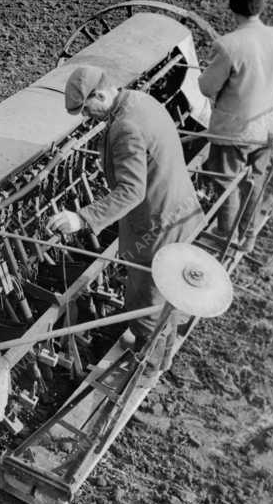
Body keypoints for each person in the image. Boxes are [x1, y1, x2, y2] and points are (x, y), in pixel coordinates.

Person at [47, 65, 205, 350]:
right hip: (181, 211)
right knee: (174, 293)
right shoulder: (139, 100)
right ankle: (164, 346)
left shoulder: (125, 127)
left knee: (146, 304)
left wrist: (82, 218)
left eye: (85, 109)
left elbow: (132, 191)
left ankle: (148, 365)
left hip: (158, 228)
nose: (85, 117)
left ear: (100, 94)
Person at [198, 0, 273, 249]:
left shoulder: (229, 45)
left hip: (232, 131)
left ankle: (226, 238)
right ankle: (248, 237)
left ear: (232, 9)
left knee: (227, 184)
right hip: (266, 128)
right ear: (261, 6)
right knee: (255, 181)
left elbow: (207, 87)